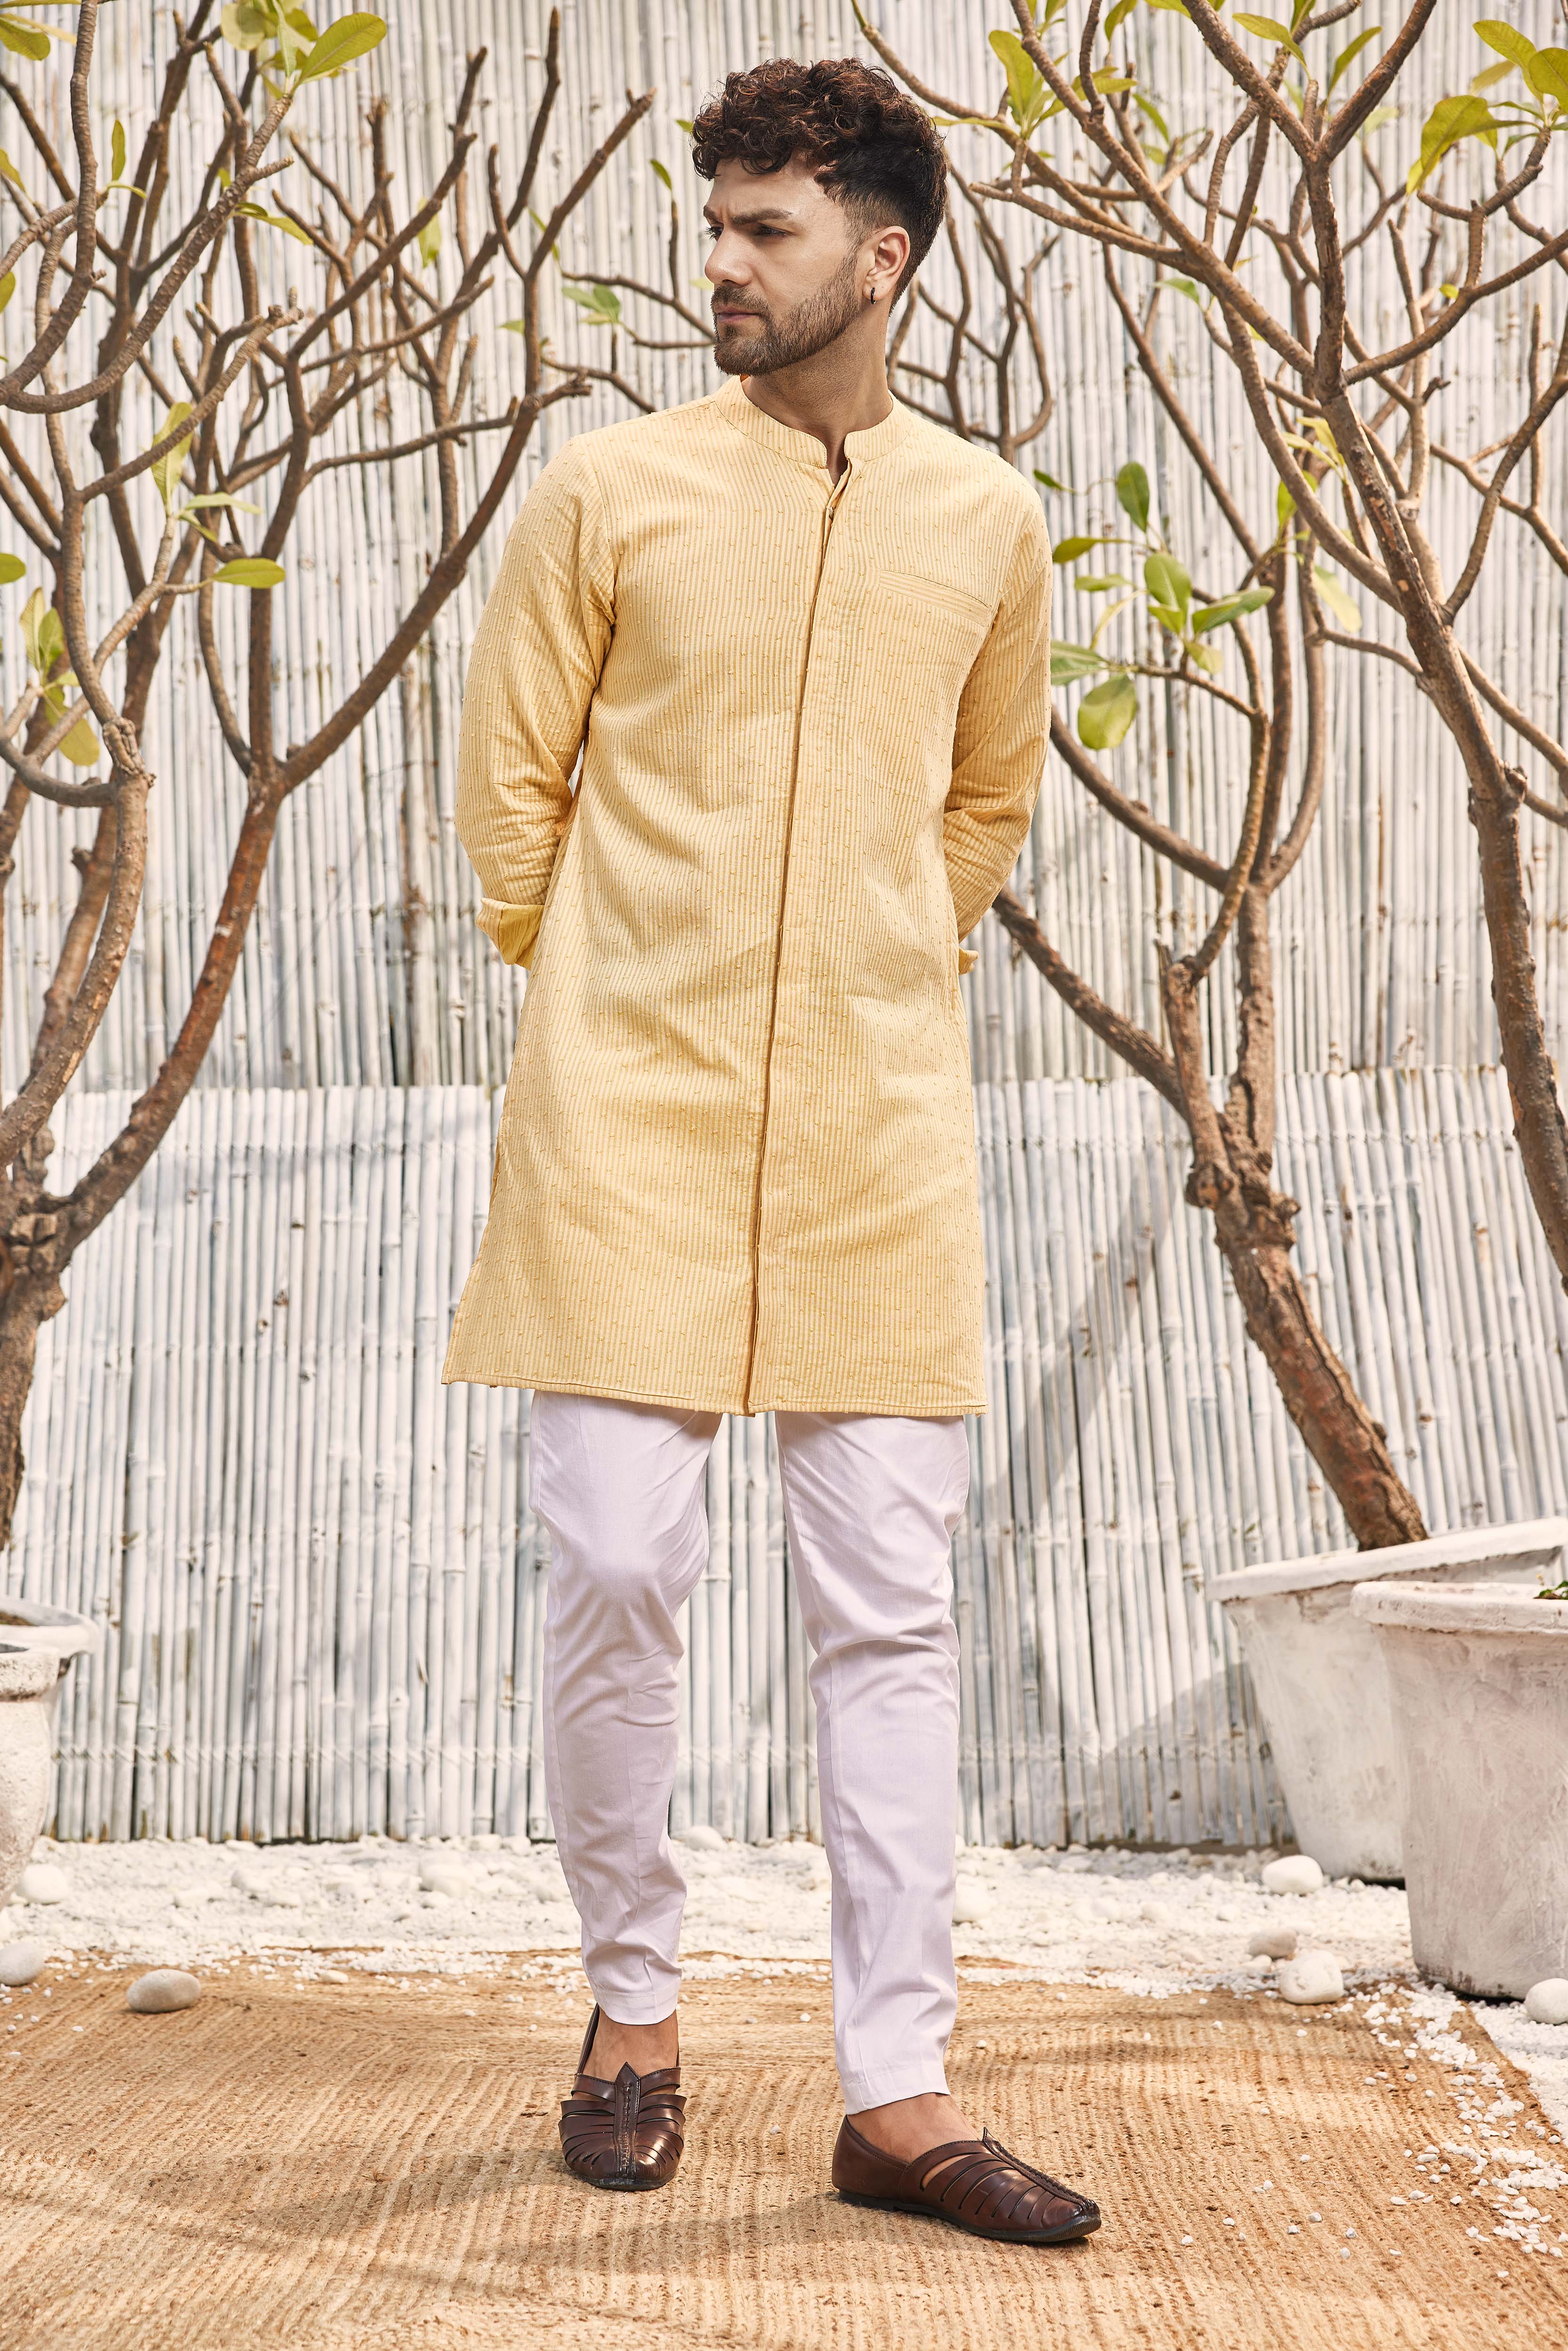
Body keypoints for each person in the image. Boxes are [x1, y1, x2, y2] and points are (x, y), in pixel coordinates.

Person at [444, 56, 1099, 2247]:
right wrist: (612, 985)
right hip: (624, 1120)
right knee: (619, 1564)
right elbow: (510, 793)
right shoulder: (612, 493)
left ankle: (897, 2093)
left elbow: (986, 799)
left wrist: (887, 961)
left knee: (889, 1613)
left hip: (873, 1137)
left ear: (880, 255)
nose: (719, 262)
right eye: (714, 222)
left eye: (765, 229)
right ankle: (634, 2010)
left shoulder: (985, 520)